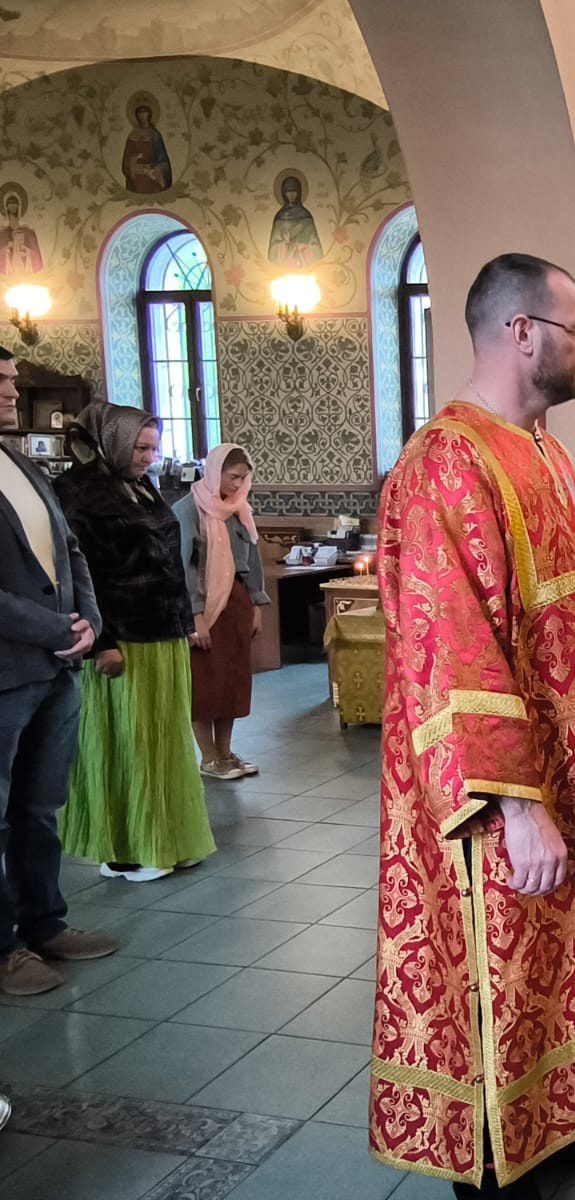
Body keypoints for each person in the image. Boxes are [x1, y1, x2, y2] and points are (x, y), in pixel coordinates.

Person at [371, 253, 575, 1199]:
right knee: (496, 955)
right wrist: (517, 806)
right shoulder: (446, 464)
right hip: (502, 789)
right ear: (522, 331)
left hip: (573, 769)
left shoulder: (546, 451)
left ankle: (559, 1115)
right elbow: (449, 654)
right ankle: (490, 1157)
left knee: (557, 948)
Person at [0, 349, 119, 996]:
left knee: (40, 806)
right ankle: (5, 950)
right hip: (9, 668)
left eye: (12, 379)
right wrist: (54, 628)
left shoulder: (19, 462)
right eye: (1, 381)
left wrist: (90, 620)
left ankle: (44, 922)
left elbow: (69, 548)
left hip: (56, 667)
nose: (12, 391)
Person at [54, 403, 213, 883]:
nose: (149, 457)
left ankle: (168, 836)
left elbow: (166, 559)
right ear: (114, 442)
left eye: (154, 449)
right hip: (122, 638)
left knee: (165, 742)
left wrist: (185, 619)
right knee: (129, 745)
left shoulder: (140, 485)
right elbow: (79, 576)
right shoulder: (78, 493)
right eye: (141, 448)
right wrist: (102, 642)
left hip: (162, 632)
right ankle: (130, 848)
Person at [172, 444, 269, 781]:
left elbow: (252, 559)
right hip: (204, 602)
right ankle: (209, 756)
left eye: (244, 478)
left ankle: (226, 752)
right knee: (205, 682)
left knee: (231, 680)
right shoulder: (188, 510)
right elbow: (182, 565)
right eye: (232, 477)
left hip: (235, 601)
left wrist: (256, 603)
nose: (238, 484)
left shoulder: (239, 509)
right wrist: (195, 614)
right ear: (214, 473)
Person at [267, 175, 324, 267]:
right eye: (288, 191)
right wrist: (285, 244)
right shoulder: (280, 217)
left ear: (299, 192)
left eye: (294, 191)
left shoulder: (306, 217)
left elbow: (317, 249)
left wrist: (303, 246)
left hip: (306, 267)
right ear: (283, 193)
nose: (291, 195)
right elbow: (273, 251)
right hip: (285, 268)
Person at [121, 103, 172, 193]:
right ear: (136, 116)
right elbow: (127, 158)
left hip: (152, 173)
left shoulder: (154, 135)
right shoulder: (133, 134)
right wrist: (132, 167)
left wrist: (156, 169)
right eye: (139, 113)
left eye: (144, 112)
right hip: (136, 174)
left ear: (149, 114)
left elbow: (162, 159)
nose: (142, 116)